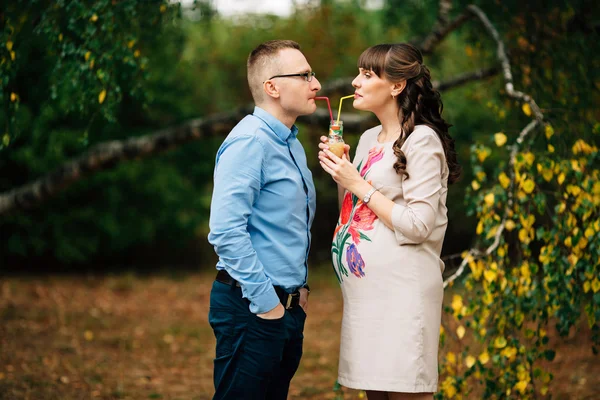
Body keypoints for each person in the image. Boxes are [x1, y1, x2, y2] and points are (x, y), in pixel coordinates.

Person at [318, 43, 461, 400]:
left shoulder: (422, 140)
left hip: (402, 297)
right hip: (366, 298)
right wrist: (344, 176)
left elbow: (417, 225)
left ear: (396, 86)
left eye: (367, 74)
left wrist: (358, 183)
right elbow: (351, 213)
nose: (355, 82)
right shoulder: (368, 139)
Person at [207, 39, 320, 399]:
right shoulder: (250, 142)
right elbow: (225, 231)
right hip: (251, 309)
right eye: (304, 75)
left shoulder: (290, 143)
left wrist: (295, 295)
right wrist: (267, 305)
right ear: (272, 87)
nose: (315, 84)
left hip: (285, 310)